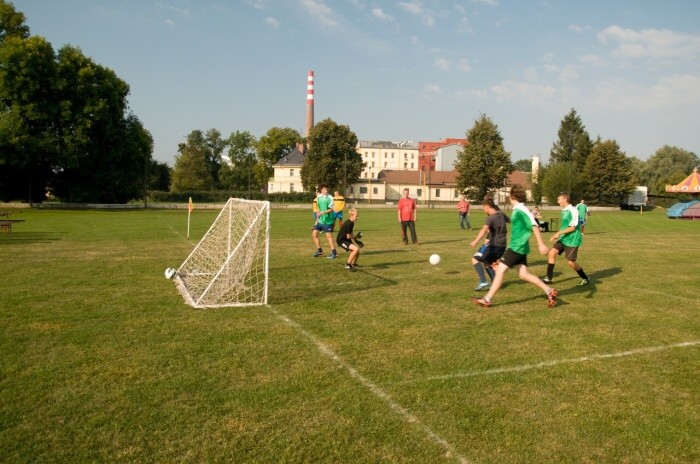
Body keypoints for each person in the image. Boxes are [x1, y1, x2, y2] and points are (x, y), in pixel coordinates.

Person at [471, 184, 558, 308]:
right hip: (520, 247)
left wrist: (541, 244)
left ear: (512, 196)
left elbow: (533, 224)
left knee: (500, 270)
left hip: (517, 247)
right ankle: (550, 291)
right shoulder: (518, 209)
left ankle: (487, 298)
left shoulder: (521, 210)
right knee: (523, 274)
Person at [543, 193, 590, 286]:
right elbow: (564, 226)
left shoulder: (573, 210)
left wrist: (558, 233)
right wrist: (557, 235)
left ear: (565, 200)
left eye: (559, 200)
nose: (558, 202)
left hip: (572, 240)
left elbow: (573, 228)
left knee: (571, 263)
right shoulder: (564, 210)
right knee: (552, 253)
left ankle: (585, 278)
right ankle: (548, 278)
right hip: (564, 238)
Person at [469, 198, 510, 290]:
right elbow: (509, 220)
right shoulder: (501, 214)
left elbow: (483, 230)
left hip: (494, 245)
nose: (483, 210)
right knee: (487, 262)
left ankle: (483, 281)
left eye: (484, 208)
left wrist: (475, 241)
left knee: (475, 260)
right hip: (502, 246)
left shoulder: (490, 218)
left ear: (487, 207)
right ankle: (496, 282)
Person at [312, 184, 338, 259]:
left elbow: (332, 209)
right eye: (324, 189)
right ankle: (319, 251)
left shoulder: (330, 198)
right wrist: (318, 212)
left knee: (328, 236)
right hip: (320, 221)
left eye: (326, 189)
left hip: (327, 221)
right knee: (314, 234)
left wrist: (322, 213)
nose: (326, 190)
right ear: (321, 190)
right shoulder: (318, 197)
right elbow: (318, 207)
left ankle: (334, 253)